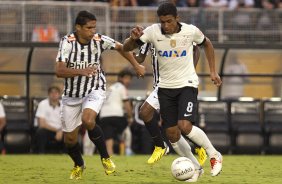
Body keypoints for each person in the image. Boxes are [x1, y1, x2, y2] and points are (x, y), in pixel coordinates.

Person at [123, 2, 222, 182]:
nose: (166, 26)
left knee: (184, 126)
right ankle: (196, 167)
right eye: (163, 22)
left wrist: (213, 71)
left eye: (169, 21)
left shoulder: (191, 31)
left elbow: (206, 44)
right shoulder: (153, 31)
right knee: (172, 134)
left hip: (187, 84)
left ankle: (214, 154)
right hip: (164, 87)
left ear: (177, 18)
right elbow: (127, 48)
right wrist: (131, 38)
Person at [55, 10, 145, 180]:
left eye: (94, 27)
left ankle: (106, 158)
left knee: (88, 120)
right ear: (78, 27)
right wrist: (81, 71)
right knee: (70, 140)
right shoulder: (67, 42)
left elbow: (121, 47)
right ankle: (79, 164)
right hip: (71, 95)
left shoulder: (99, 40)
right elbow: (59, 71)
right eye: (89, 28)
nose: (93, 31)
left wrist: (136, 65)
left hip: (94, 88)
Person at [134, 42, 208, 166]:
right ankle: (160, 146)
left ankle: (199, 147)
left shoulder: (179, 33)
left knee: (180, 122)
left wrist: (191, 70)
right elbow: (140, 57)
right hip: (161, 86)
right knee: (144, 113)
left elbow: (196, 49)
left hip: (179, 83)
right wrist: (131, 58)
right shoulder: (149, 35)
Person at [99, 69, 134, 156]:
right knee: (127, 131)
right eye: (126, 78)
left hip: (103, 115)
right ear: (120, 78)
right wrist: (130, 117)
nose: (128, 81)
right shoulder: (122, 88)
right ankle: (128, 150)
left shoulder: (111, 88)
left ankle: (110, 154)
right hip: (116, 115)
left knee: (108, 135)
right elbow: (126, 104)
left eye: (129, 79)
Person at [34, 86, 63, 153]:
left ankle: (66, 156)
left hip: (62, 130)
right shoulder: (42, 104)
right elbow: (42, 124)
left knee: (70, 133)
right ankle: (41, 154)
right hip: (48, 130)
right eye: (51, 92)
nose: (54, 94)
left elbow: (68, 121)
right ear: (48, 94)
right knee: (40, 131)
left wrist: (61, 131)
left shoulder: (64, 105)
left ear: (59, 94)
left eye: (56, 92)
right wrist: (57, 130)